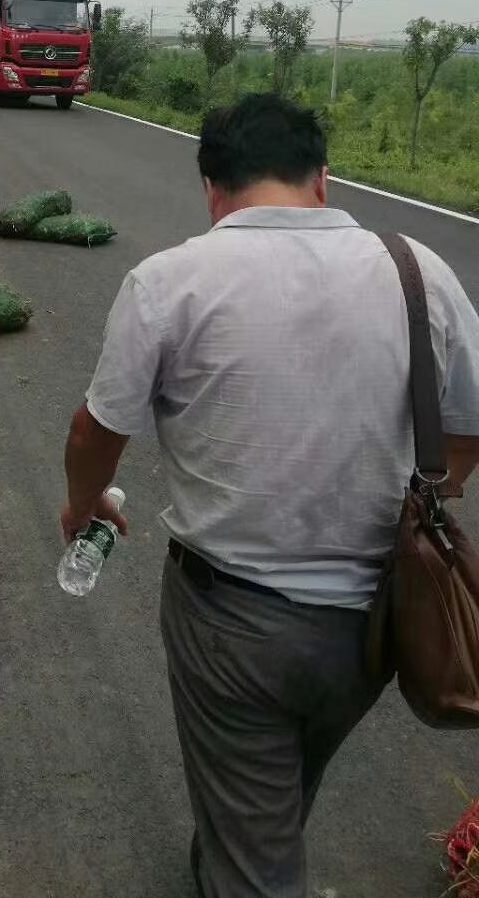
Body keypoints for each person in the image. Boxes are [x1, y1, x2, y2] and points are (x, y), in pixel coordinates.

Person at [61, 93, 479, 898]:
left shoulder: (170, 281)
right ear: (323, 179)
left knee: (256, 853)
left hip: (232, 627)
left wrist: (83, 509)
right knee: (278, 784)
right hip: (375, 627)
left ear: (211, 188)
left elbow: (93, 432)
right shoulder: (417, 271)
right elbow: (468, 430)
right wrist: (435, 485)